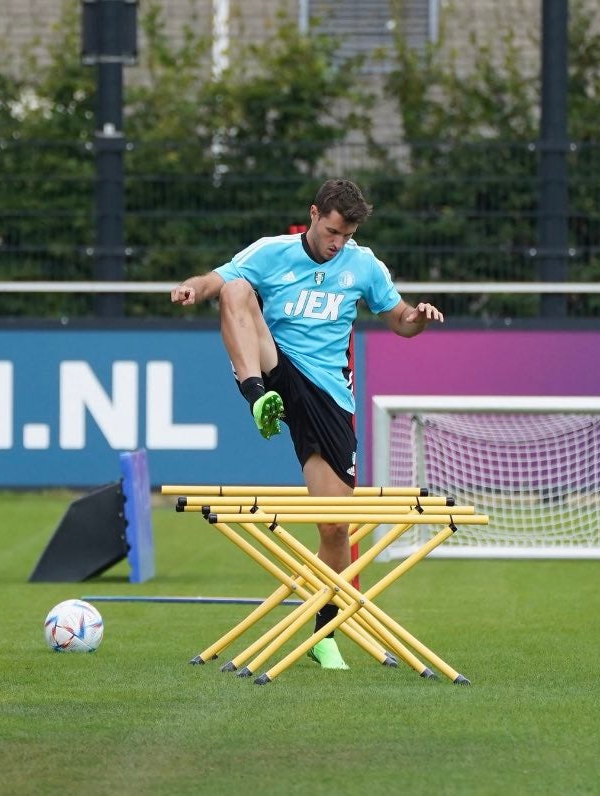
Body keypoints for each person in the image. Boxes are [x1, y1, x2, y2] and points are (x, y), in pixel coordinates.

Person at [171, 178, 443, 670]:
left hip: (331, 396)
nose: (338, 242)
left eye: (348, 233)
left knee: (335, 526)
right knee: (236, 288)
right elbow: (218, 281)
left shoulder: (364, 264)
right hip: (280, 368)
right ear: (314, 214)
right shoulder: (271, 252)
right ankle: (255, 395)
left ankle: (323, 632)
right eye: (333, 230)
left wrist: (420, 315)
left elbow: (399, 318)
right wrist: (194, 286)